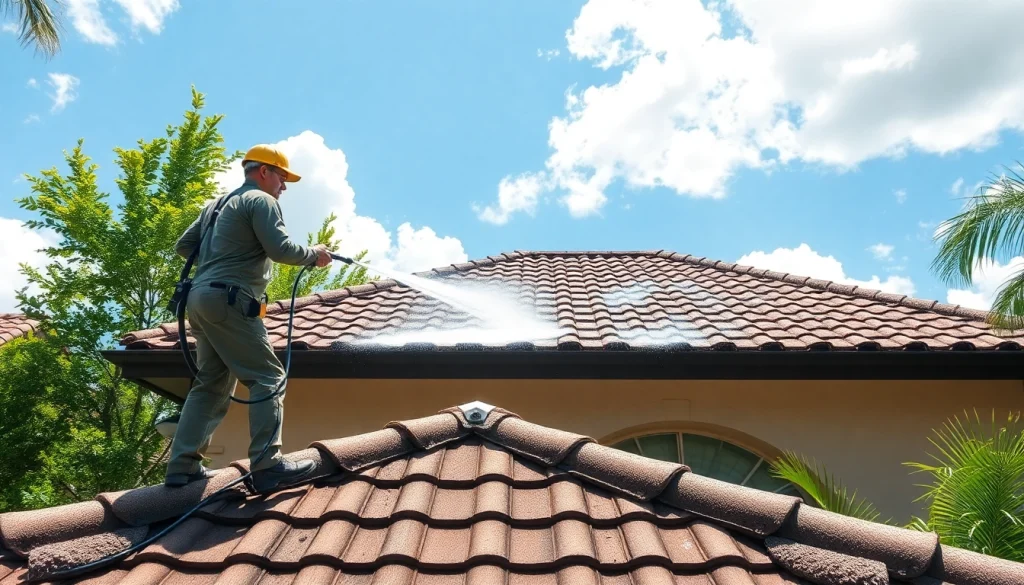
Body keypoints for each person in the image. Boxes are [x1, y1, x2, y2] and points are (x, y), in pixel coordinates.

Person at [164, 144, 332, 493]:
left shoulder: (217, 205)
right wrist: (313, 254)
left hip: (199, 299)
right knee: (268, 376)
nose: (283, 187)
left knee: (211, 382)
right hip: (230, 298)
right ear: (264, 172)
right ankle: (267, 466)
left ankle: (181, 467)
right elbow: (281, 249)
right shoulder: (262, 201)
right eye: (282, 178)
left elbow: (185, 246)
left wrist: (223, 252)